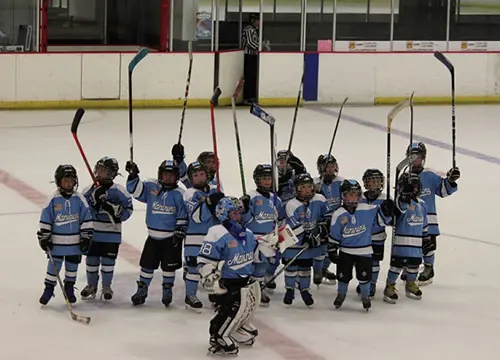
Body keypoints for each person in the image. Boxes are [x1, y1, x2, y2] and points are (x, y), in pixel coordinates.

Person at [198, 197, 268, 356]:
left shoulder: (248, 234)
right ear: (223, 214)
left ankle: (236, 327)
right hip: (226, 282)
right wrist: (210, 278)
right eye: (233, 213)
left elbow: (256, 256)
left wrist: (271, 248)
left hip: (244, 281)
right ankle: (219, 335)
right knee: (234, 307)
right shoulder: (217, 232)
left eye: (239, 213)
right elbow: (205, 260)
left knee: (248, 306)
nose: (238, 216)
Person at [125, 159, 188, 307]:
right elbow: (135, 191)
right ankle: (142, 289)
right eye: (165, 175)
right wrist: (133, 176)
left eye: (171, 175)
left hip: (171, 238)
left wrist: (180, 230)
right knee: (147, 265)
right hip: (152, 238)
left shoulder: (180, 194)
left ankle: (167, 289)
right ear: (160, 174)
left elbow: (182, 214)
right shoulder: (151, 186)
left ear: (177, 176)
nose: (168, 178)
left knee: (169, 267)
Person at [329, 179, 392, 311]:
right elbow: (335, 234)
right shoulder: (338, 214)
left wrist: (387, 210)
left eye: (356, 195)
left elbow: (382, 221)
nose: (353, 198)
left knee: (364, 277)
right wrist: (332, 249)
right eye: (349, 195)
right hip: (345, 252)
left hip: (365, 251)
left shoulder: (368, 209)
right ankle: (341, 295)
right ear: (343, 196)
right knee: (343, 277)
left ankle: (365, 297)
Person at [404, 142, 459, 285]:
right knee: (409, 245)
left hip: (429, 220)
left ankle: (429, 269)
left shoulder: (429, 175)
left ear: (423, 158)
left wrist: (450, 181)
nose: (415, 160)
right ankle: (410, 267)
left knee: (427, 246)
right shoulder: (404, 176)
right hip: (410, 220)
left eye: (418, 157)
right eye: (413, 157)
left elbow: (443, 191)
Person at [38, 165, 93, 305]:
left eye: (71, 180)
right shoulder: (53, 200)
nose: (69, 184)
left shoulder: (79, 199)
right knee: (53, 266)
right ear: (58, 182)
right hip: (57, 244)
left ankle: (69, 289)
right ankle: (48, 289)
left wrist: (86, 237)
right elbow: (46, 219)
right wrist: (44, 237)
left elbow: (86, 219)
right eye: (65, 181)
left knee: (72, 267)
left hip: (75, 244)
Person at [81, 157, 133, 300]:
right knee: (91, 261)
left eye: (104, 171)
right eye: (98, 170)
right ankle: (91, 285)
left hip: (111, 234)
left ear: (112, 174)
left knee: (108, 262)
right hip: (93, 234)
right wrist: (95, 201)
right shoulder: (88, 190)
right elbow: (82, 210)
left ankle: (106, 286)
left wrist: (111, 207)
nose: (99, 174)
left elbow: (128, 211)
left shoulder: (118, 191)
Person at [282, 173, 329, 307]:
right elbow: (292, 225)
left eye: (309, 187)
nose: (307, 190)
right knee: (290, 267)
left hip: (310, 242)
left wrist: (321, 229)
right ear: (297, 189)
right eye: (303, 187)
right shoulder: (291, 204)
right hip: (292, 241)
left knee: (305, 268)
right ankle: (289, 290)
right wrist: (307, 235)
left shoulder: (319, 199)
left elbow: (327, 216)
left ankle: (305, 291)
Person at [183, 161, 224, 311]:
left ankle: (215, 296)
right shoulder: (190, 193)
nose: (199, 178)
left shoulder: (215, 189)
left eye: (202, 174)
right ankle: (190, 295)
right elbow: (197, 217)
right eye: (195, 175)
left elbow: (223, 214)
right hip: (195, 238)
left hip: (214, 236)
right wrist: (209, 202)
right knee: (194, 268)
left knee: (214, 269)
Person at [241, 164, 285, 306]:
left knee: (262, 265)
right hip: (251, 237)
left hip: (268, 238)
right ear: (256, 180)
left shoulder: (275, 199)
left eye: (269, 178)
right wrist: (245, 208)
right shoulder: (252, 196)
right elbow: (244, 219)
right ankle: (245, 289)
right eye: (263, 178)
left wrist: (279, 235)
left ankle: (257, 288)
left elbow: (280, 218)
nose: (267, 182)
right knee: (249, 264)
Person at [383, 172, 428, 304]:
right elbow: (400, 209)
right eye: (410, 187)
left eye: (415, 187)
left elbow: (424, 223)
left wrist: (426, 238)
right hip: (401, 244)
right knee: (396, 266)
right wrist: (403, 197)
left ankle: (411, 284)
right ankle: (389, 286)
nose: (414, 190)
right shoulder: (399, 201)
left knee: (414, 266)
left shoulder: (422, 204)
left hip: (416, 244)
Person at [313, 154, 345, 285]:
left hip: (336, 221)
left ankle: (324, 269)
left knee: (333, 248)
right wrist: (315, 193)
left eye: (332, 166)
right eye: (327, 166)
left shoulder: (341, 181)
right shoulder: (315, 183)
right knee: (321, 248)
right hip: (320, 221)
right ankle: (316, 271)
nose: (330, 169)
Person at [356, 168, 389, 297]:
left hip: (377, 237)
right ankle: (364, 281)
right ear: (365, 183)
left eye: (376, 181)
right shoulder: (359, 197)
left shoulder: (386, 198)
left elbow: (390, 221)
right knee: (361, 261)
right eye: (371, 181)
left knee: (374, 261)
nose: (374, 184)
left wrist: (389, 211)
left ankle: (372, 283)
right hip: (361, 237)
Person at [241, 13, 260, 104]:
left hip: (253, 56)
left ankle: (251, 96)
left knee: (252, 76)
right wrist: (261, 47)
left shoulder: (254, 30)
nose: (260, 22)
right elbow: (250, 43)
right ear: (253, 21)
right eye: (258, 20)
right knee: (248, 76)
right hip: (248, 56)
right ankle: (247, 97)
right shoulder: (249, 29)